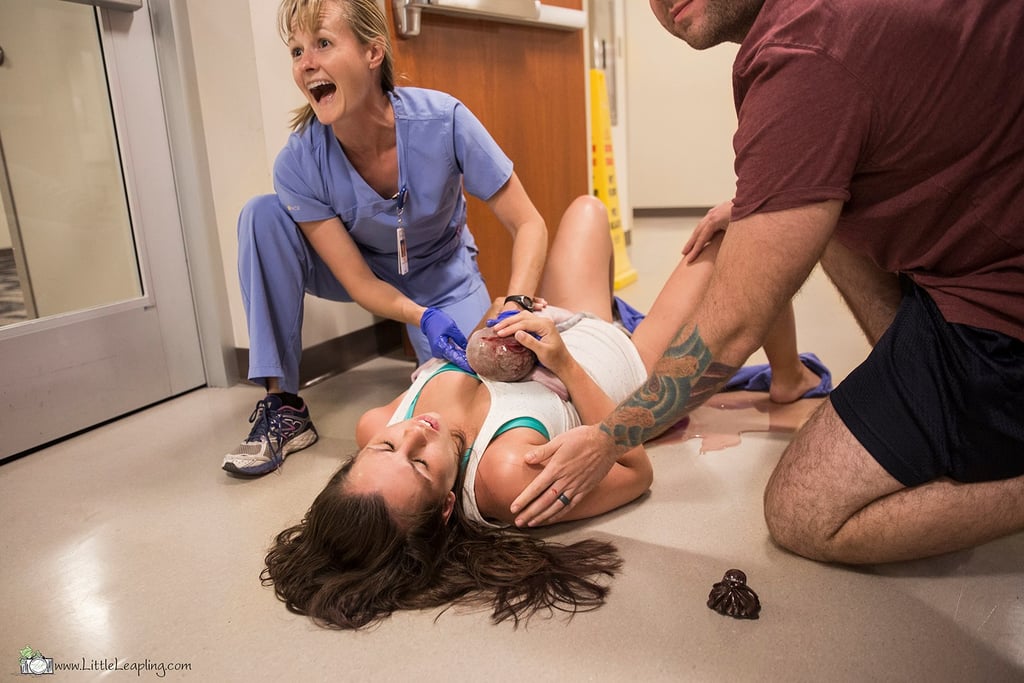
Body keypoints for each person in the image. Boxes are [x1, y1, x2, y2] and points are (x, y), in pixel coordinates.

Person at [510, 0, 1024, 565]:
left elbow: (731, 329)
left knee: (802, 512)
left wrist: (607, 439)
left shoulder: (804, 50)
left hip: (1000, 307)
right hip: (992, 239)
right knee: (794, 223)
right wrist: (775, 196)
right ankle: (891, 388)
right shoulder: (825, 34)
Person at [261, 194, 820, 629]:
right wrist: (566, 366)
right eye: (420, 463)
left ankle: (622, 313)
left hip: (563, 323)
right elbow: (634, 471)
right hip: (620, 363)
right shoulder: (506, 478)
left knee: (586, 210)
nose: (414, 432)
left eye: (388, 446)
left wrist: (499, 325)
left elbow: (429, 414)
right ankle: (789, 378)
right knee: (749, 241)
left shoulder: (375, 425)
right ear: (450, 506)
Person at [223, 0, 549, 476]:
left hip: (443, 273)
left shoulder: (444, 121)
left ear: (373, 53)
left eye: (323, 43)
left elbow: (529, 223)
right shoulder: (299, 161)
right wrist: (419, 317)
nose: (305, 62)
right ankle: (283, 405)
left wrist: (517, 303)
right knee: (262, 215)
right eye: (296, 51)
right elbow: (357, 282)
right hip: (363, 269)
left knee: (478, 385)